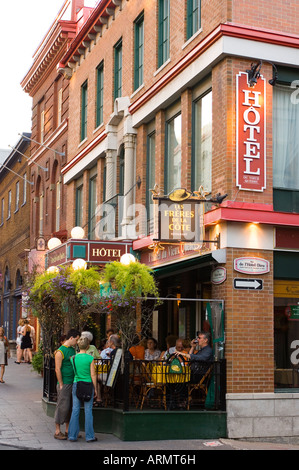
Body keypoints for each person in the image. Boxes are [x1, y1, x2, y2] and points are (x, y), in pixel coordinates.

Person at [68, 336, 98, 442]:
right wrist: (96, 389)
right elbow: (93, 375)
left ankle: (72, 435)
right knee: (88, 410)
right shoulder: (90, 358)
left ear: (77, 345)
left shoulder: (73, 358)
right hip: (88, 384)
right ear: (88, 346)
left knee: (75, 410)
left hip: (77, 384)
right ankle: (89, 436)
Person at [54, 328, 80, 440]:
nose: (77, 342)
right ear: (71, 338)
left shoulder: (72, 350)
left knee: (69, 406)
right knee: (62, 406)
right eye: (77, 339)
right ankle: (57, 431)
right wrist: (61, 383)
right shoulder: (60, 352)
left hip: (72, 381)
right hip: (64, 382)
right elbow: (57, 369)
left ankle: (68, 430)